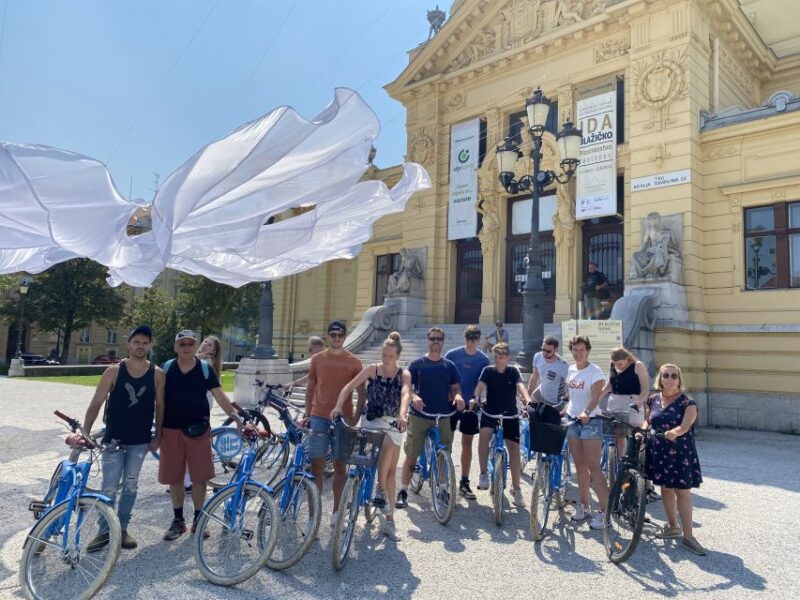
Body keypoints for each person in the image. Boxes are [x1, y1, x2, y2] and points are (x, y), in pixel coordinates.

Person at [82, 325, 164, 551]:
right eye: (136, 341)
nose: (140, 346)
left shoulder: (156, 373)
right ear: (129, 344)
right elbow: (96, 403)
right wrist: (86, 433)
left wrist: (158, 436)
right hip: (114, 438)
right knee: (108, 487)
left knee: (130, 485)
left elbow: (160, 406)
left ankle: (123, 528)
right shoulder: (114, 371)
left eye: (145, 342)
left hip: (139, 439)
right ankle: (105, 531)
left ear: (150, 345)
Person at [159, 329, 245, 541]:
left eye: (190, 344)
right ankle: (178, 521)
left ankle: (199, 519)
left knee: (200, 478)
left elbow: (219, 395)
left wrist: (234, 415)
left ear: (196, 346)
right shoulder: (167, 368)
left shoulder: (205, 369)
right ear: (176, 347)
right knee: (175, 478)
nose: (187, 348)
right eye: (183, 344)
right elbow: (157, 400)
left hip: (198, 430)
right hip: (171, 430)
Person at [331, 332, 410, 541]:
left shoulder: (404, 374)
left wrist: (403, 414)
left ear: (397, 356)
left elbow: (406, 394)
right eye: (384, 355)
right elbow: (348, 387)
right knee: (374, 455)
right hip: (372, 420)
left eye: (390, 356)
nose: (386, 359)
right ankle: (379, 490)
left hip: (394, 420)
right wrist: (339, 406)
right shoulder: (372, 370)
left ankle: (389, 519)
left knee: (391, 472)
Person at [303, 321, 365, 527]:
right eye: (333, 335)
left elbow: (361, 391)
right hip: (319, 416)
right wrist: (307, 413)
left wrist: (355, 417)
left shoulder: (354, 361)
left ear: (345, 337)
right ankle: (314, 515)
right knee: (316, 465)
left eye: (340, 335)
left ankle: (337, 511)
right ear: (328, 336)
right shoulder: (317, 359)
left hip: (342, 418)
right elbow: (311, 387)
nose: (337, 338)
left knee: (340, 465)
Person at [396, 327, 465, 509]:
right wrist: (414, 396)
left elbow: (456, 388)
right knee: (412, 454)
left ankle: (443, 489)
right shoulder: (417, 364)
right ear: (428, 340)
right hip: (420, 415)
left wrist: (458, 396)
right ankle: (403, 490)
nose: (436, 342)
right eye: (433, 339)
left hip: (442, 415)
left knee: (444, 455)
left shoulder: (449, 366)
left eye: (439, 339)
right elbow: (407, 388)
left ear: (443, 341)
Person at [643, 363, 705, 555]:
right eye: (665, 375)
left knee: (683, 492)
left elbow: (686, 426)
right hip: (659, 449)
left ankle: (688, 536)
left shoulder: (688, 402)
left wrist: (674, 432)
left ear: (679, 379)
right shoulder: (653, 399)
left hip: (680, 452)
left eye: (673, 376)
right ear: (660, 379)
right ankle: (672, 526)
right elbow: (648, 420)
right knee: (666, 489)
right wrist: (642, 432)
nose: (669, 379)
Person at [471, 342, 530, 507]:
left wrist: (527, 400)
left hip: (510, 414)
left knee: (514, 448)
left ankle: (517, 488)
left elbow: (521, 387)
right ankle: (483, 473)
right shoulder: (488, 371)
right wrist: (475, 398)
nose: (498, 360)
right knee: (484, 436)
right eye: (496, 357)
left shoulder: (513, 371)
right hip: (490, 412)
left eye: (501, 357)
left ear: (507, 358)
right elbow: (480, 387)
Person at [564, 335, 609, 529]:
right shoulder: (571, 369)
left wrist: (587, 412)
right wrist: (565, 410)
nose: (578, 353)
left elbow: (596, 397)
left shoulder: (595, 371)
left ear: (588, 351)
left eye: (582, 350)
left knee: (594, 467)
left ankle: (605, 512)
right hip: (573, 421)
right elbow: (572, 397)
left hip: (591, 421)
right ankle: (584, 506)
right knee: (579, 466)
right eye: (575, 350)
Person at [445, 325, 490, 500]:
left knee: (467, 444)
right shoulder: (452, 355)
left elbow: (484, 383)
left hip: (471, 406)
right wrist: (449, 394)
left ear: (478, 341)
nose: (471, 343)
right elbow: (445, 377)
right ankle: (443, 480)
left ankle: (464, 480)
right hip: (451, 403)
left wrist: (479, 399)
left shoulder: (483, 359)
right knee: (446, 442)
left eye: (474, 340)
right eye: (468, 340)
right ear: (464, 339)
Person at [600, 347, 650, 456]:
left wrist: (639, 401)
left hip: (632, 403)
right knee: (617, 437)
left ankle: (636, 462)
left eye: (620, 364)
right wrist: (596, 398)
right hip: (614, 403)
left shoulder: (637, 366)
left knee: (634, 436)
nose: (617, 366)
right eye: (615, 363)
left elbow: (645, 389)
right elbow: (609, 386)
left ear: (627, 358)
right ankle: (619, 464)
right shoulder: (613, 365)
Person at [526, 335, 569, 426]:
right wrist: (527, 395)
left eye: (548, 351)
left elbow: (570, 385)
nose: (545, 353)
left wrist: (566, 402)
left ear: (556, 350)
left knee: (547, 426)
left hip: (553, 401)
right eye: (543, 349)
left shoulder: (563, 365)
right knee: (529, 417)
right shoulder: (538, 356)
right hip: (539, 393)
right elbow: (534, 377)